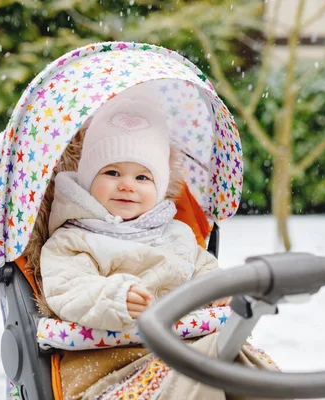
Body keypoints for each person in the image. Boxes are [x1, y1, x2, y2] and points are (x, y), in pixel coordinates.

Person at [39, 87, 229, 333]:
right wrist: (115, 298)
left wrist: (222, 292)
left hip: (188, 343)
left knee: (246, 365)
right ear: (87, 179)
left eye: (142, 177)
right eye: (112, 172)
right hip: (113, 351)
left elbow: (205, 273)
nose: (127, 185)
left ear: (159, 188)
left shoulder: (177, 234)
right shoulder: (74, 239)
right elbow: (68, 288)